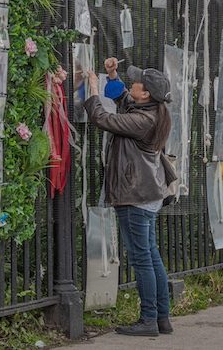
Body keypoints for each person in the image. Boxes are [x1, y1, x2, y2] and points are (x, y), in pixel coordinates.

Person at [84, 57, 175, 337]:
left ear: (145, 93)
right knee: (151, 254)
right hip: (147, 194)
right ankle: (162, 318)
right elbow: (124, 100)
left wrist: (93, 91)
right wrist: (112, 76)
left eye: (136, 81)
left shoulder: (143, 120)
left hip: (136, 195)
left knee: (141, 259)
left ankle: (148, 319)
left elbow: (104, 118)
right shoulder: (151, 111)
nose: (132, 82)